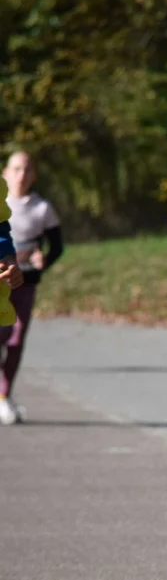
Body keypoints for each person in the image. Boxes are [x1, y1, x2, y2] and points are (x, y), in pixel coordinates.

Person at [0, 152, 52, 425]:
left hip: (23, 280)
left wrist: (36, 259)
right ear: (7, 171)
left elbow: (1, 230)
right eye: (17, 168)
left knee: (16, 340)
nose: (22, 175)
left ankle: (4, 396)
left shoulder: (40, 207)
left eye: (28, 169)